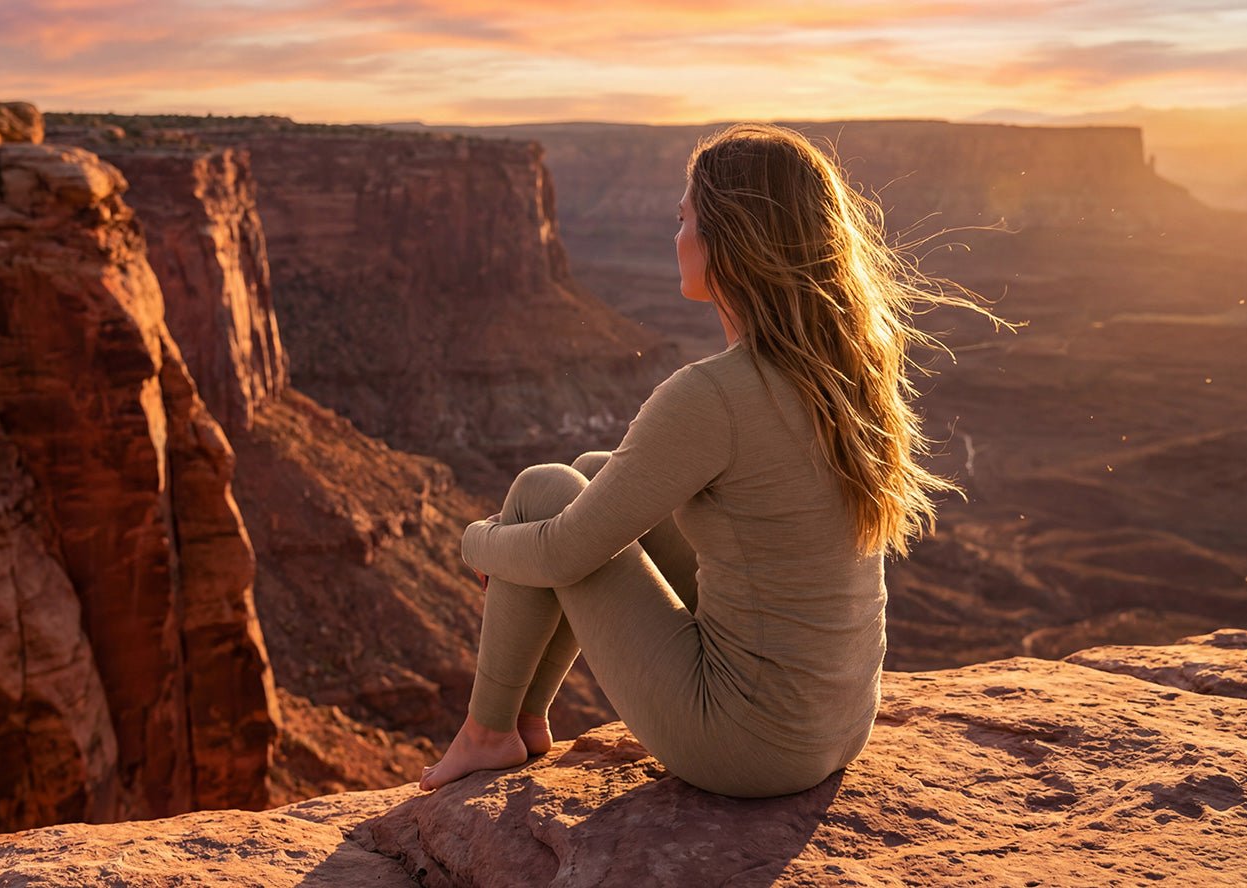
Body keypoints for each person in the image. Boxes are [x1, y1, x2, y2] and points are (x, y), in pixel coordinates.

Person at [420, 122, 1002, 797]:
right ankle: (522, 720)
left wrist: (478, 543)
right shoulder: (838, 371)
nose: (674, 237)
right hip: (838, 725)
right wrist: (521, 551)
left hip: (747, 745)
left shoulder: (712, 394)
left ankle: (488, 733)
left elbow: (560, 555)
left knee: (546, 490)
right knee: (591, 468)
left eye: (683, 218)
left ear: (725, 240)